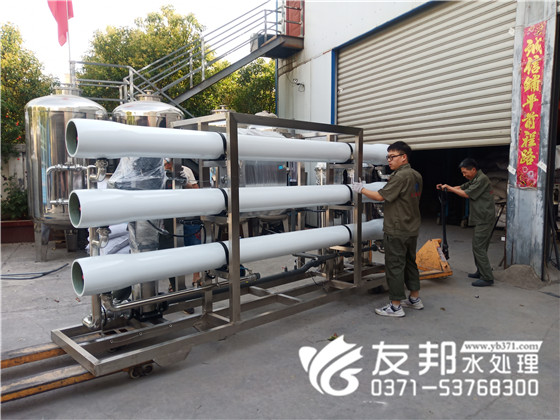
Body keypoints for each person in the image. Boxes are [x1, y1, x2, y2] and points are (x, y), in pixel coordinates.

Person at [352, 141, 423, 317]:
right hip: (411, 227)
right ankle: (414, 299)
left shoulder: (400, 177)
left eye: (392, 157)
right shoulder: (416, 175)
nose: (389, 160)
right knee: (410, 263)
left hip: (397, 228)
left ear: (403, 157)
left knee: (395, 266)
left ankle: (395, 306)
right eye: (388, 157)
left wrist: (361, 189)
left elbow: (379, 196)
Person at [437, 158, 495, 287]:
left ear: (473, 169)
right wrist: (446, 188)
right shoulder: (475, 179)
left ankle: (487, 277)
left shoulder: (482, 179)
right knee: (479, 247)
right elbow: (462, 187)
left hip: (484, 218)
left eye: (465, 172)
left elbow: (466, 194)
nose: (464, 175)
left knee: (479, 247)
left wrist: (450, 188)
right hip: (481, 217)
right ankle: (481, 271)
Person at [180, 165, 203, 288]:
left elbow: (196, 190)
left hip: (190, 217)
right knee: (174, 253)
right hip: (170, 218)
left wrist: (186, 184)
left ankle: (196, 276)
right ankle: (174, 283)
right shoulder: (159, 171)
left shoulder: (186, 170)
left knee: (195, 248)